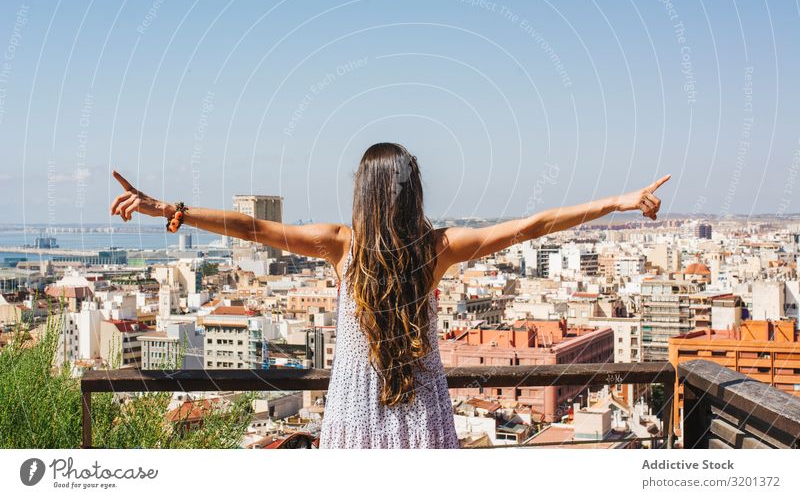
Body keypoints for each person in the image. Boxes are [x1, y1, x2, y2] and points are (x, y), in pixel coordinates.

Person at [110, 142, 670, 448]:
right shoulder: (438, 248)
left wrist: (173, 210)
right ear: (412, 193)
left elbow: (250, 227)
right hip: (422, 412)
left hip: (355, 412)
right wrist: (618, 200)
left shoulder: (339, 245)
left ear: (364, 193)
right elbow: (534, 225)